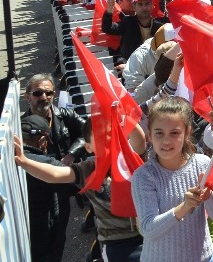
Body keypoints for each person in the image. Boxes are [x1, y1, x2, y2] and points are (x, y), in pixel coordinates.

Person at [14, 119, 145, 262]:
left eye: (113, 135)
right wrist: (24, 161)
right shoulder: (88, 169)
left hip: (147, 233)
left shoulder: (129, 158)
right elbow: (55, 174)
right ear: (88, 147)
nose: (109, 140)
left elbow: (140, 141)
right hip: (117, 244)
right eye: (101, 138)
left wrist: (123, 115)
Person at [131, 97, 213, 261]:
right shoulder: (144, 176)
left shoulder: (203, 163)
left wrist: (209, 196)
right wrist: (185, 207)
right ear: (150, 135)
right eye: (159, 133)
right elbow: (148, 229)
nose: (166, 141)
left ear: (187, 132)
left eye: (174, 133)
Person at [16, 114, 76, 262]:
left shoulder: (9, 160)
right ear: (42, 141)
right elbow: (74, 180)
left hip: (20, 238)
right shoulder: (46, 164)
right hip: (44, 236)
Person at [22, 73, 88, 164]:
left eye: (48, 93)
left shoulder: (67, 115)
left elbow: (90, 132)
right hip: (39, 174)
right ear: (27, 97)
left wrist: (72, 154)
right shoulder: (21, 125)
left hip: (67, 170)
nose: (44, 97)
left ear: (54, 95)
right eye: (38, 93)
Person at [103, 0, 169, 70]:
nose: (144, 8)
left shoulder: (160, 26)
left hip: (154, 70)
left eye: (147, 4)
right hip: (130, 69)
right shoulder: (127, 23)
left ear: (152, 6)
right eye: (140, 4)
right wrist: (109, 10)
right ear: (134, 7)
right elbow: (107, 28)